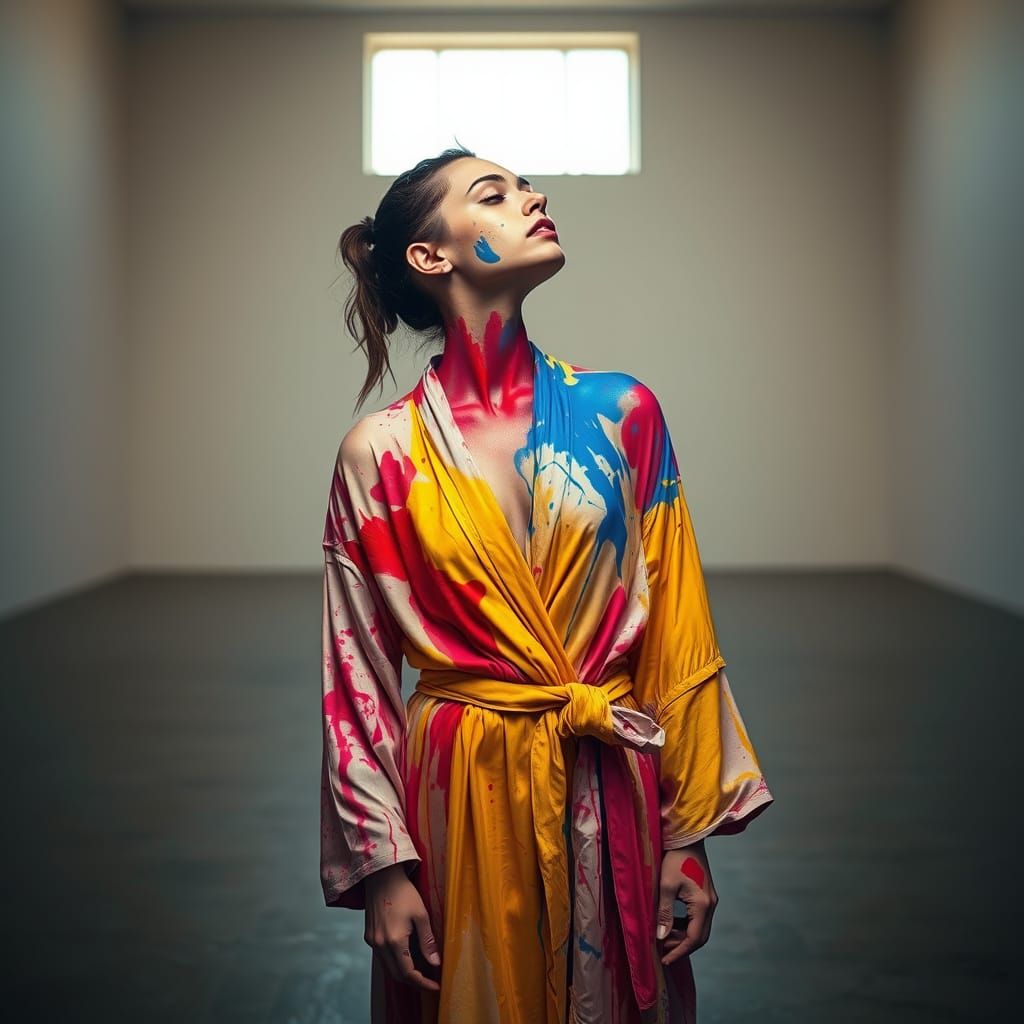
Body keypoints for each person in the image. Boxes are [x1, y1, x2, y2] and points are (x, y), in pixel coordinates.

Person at [320, 145, 774, 1024]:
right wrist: (384, 865)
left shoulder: (623, 413)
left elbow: (678, 632)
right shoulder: (381, 452)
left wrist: (687, 836)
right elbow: (356, 679)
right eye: (494, 194)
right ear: (430, 255)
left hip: (609, 777)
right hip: (462, 792)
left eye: (526, 186)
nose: (532, 198)